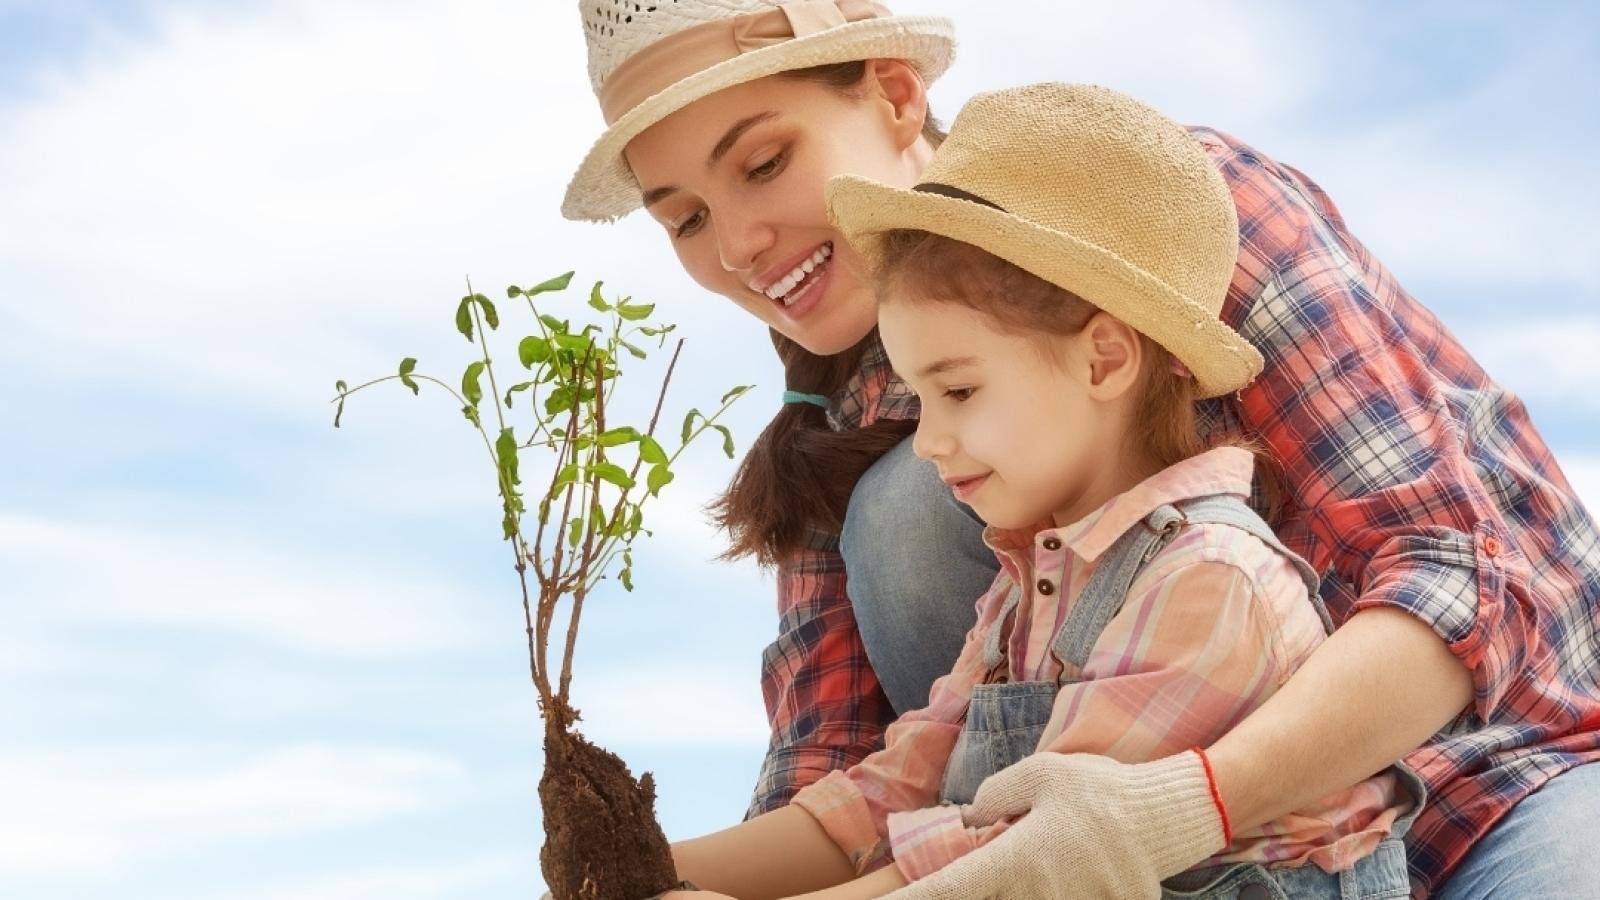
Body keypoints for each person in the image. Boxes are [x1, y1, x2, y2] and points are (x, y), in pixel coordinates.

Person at [560, 2, 1600, 897]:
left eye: (764, 163)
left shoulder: (1162, 215)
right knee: (902, 508)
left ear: (891, 96)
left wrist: (1163, 811)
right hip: (1112, 849)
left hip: (1487, 773)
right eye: (686, 218)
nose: (738, 243)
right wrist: (642, 869)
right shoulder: (855, 419)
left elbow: (1450, 577)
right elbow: (854, 767)